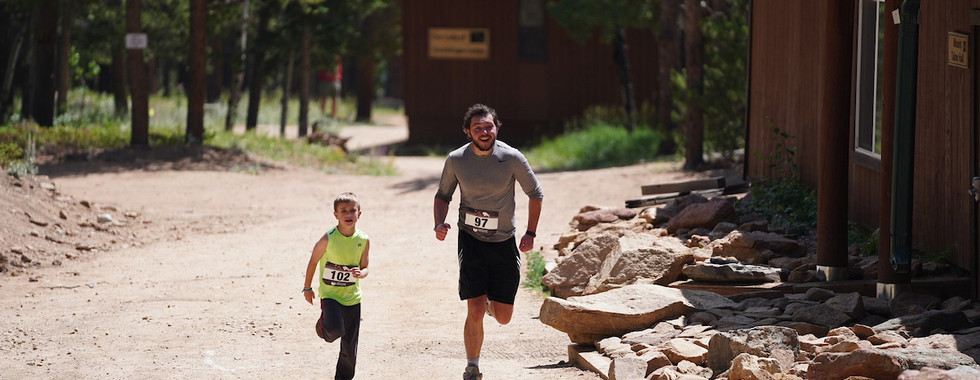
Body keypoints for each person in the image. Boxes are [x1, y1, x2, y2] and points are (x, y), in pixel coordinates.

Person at [433, 103, 544, 380]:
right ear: (467, 132)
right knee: (474, 307)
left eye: (488, 126)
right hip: (470, 239)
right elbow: (442, 195)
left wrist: (530, 233)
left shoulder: (512, 158)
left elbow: (536, 193)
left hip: (504, 240)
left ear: (497, 128)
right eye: (478, 128)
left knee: (504, 317)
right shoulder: (456, 159)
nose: (484, 132)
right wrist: (439, 222)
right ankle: (472, 367)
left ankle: (490, 304)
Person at [303, 192, 370, 380]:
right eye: (343, 211)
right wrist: (307, 288)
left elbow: (365, 267)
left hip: (353, 298)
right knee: (335, 330)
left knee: (350, 346)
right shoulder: (328, 238)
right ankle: (322, 328)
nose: (348, 214)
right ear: (336, 215)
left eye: (352, 211)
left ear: (359, 214)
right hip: (331, 296)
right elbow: (313, 261)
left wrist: (361, 273)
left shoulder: (363, 239)